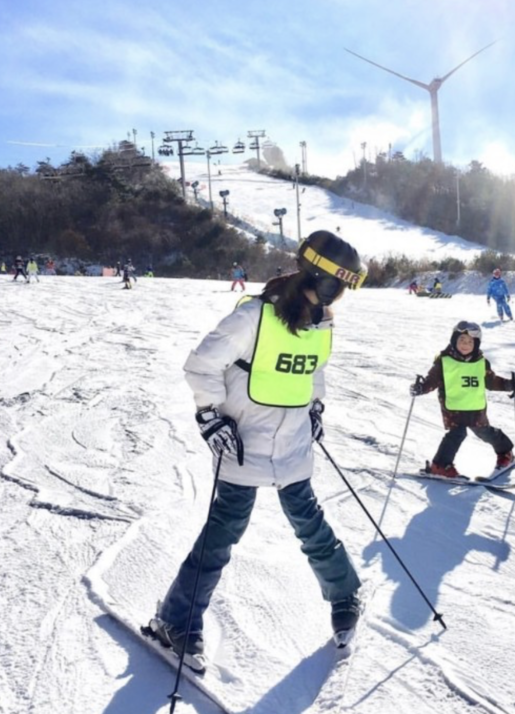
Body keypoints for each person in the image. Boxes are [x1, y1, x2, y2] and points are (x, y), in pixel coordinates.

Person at [148, 230, 367, 672]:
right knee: (223, 532)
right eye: (341, 287)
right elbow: (201, 365)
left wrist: (315, 407)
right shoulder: (254, 316)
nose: (340, 297)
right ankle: (177, 620)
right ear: (325, 281)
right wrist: (210, 414)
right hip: (244, 441)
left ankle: (345, 594)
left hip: (293, 441)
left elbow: (314, 371)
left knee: (309, 522)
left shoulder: (322, 322)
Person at [410, 321, 515, 479]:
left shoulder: (481, 362)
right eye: (461, 340)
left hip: (475, 405)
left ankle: (506, 453)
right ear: (454, 340)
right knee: (457, 433)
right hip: (453, 406)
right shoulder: (444, 361)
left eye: (470, 342)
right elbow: (432, 380)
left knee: (484, 431)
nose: (465, 345)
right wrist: (422, 387)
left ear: (476, 344)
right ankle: (440, 466)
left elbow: (491, 381)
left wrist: (507, 385)